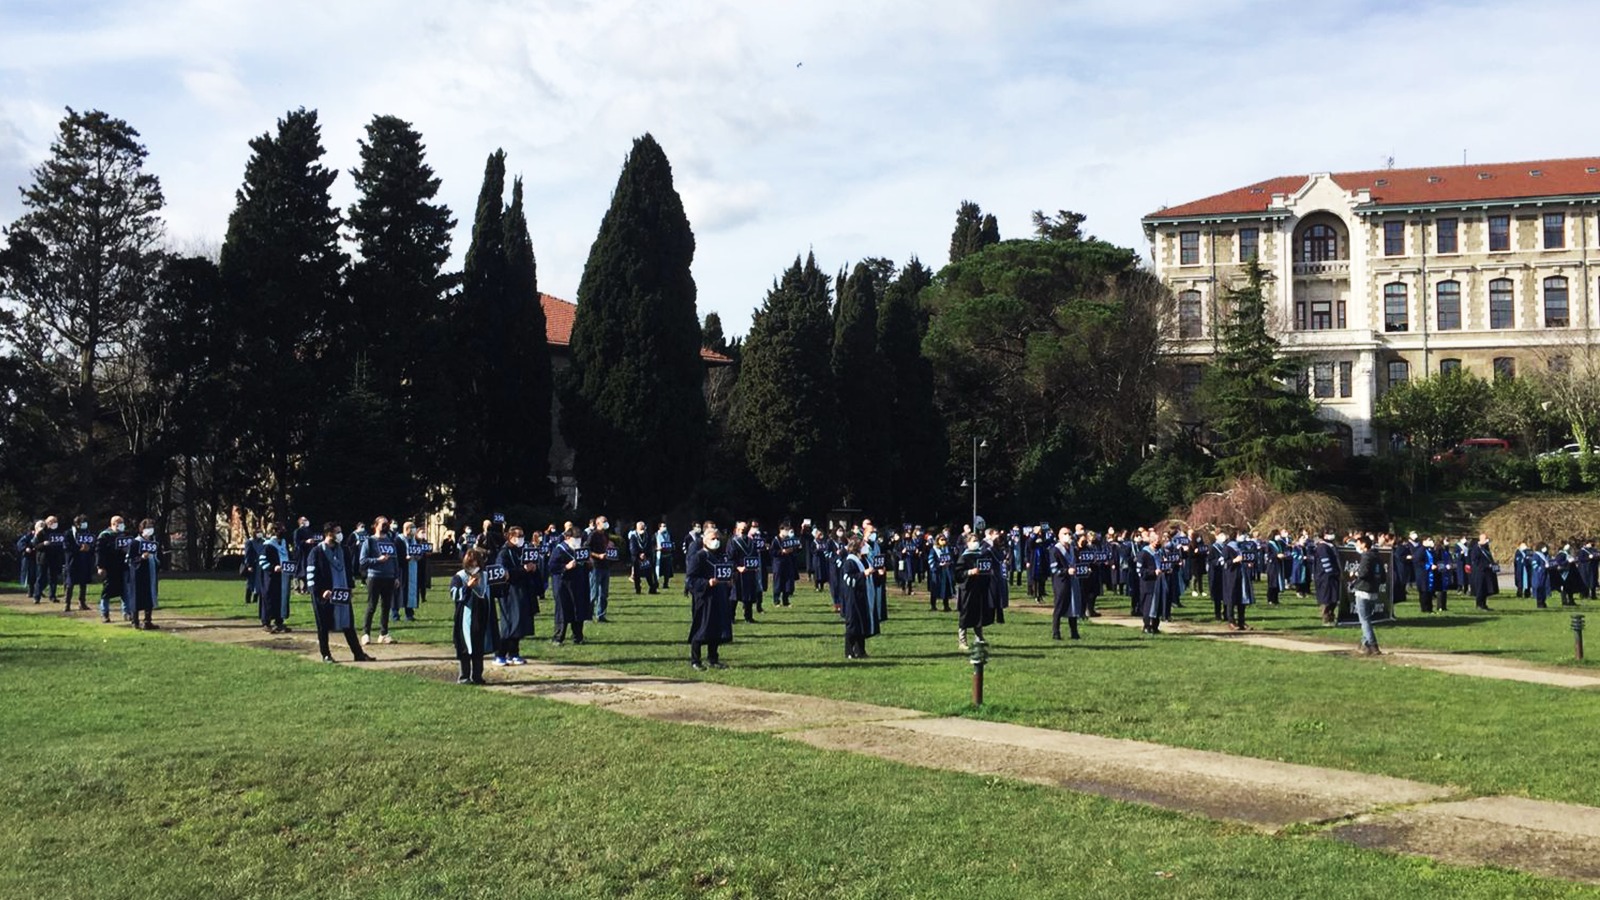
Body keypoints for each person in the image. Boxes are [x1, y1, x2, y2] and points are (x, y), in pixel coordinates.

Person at [305, 522, 374, 663]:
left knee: (348, 624)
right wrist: (320, 591)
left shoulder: (344, 550)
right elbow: (311, 576)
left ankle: (358, 654)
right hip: (324, 595)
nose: (339, 535)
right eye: (337, 532)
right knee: (323, 626)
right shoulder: (316, 552)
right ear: (328, 533)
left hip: (341, 592)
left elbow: (348, 572)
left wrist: (350, 588)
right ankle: (326, 655)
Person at [684, 521, 730, 670]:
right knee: (701, 628)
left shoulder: (719, 557)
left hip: (718, 597)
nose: (716, 541)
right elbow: (690, 579)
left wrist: (728, 582)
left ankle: (713, 658)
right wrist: (707, 583)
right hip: (704, 598)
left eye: (717, 538)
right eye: (712, 539)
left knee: (715, 629)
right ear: (704, 540)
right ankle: (695, 660)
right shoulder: (698, 557)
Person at [450, 549, 495, 685]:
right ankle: (464, 676)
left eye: (476, 564)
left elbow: (494, 591)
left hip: (481, 615)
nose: (473, 567)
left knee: (478, 647)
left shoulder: (485, 576)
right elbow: (454, 595)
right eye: (470, 564)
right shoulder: (459, 577)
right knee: (464, 647)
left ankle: (477, 676)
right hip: (465, 616)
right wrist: (468, 587)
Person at [494, 527, 536, 666]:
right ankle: (500, 654)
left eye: (523, 535)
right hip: (509, 592)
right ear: (510, 537)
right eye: (518, 536)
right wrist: (522, 570)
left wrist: (532, 569)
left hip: (522, 590)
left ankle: (514, 653)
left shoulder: (521, 551)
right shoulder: (504, 553)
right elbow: (503, 573)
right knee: (510, 623)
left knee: (519, 623)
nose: (521, 538)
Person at [359, 517, 402, 645]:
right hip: (374, 577)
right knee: (372, 605)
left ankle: (384, 633)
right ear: (376, 525)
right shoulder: (370, 541)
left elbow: (395, 560)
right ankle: (366, 633)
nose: (385, 526)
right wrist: (378, 560)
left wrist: (396, 576)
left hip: (389, 578)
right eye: (383, 524)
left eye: (386, 524)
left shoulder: (390, 541)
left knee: (386, 606)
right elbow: (362, 561)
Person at [548, 527, 590, 645]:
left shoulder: (580, 550)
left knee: (578, 609)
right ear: (567, 538)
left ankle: (578, 636)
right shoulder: (560, 550)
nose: (578, 541)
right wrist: (566, 567)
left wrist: (588, 564)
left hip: (578, 584)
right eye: (575, 539)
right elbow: (551, 567)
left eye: (579, 539)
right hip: (563, 585)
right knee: (563, 610)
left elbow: (584, 566)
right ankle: (558, 637)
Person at [954, 531, 994, 651]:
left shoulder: (981, 555)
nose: (975, 543)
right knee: (965, 614)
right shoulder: (964, 557)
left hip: (979, 588)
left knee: (979, 613)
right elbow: (958, 574)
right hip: (967, 590)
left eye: (977, 540)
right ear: (967, 543)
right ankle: (962, 640)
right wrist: (969, 572)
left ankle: (979, 637)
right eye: (973, 541)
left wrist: (988, 573)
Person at [839, 536, 877, 658]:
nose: (865, 547)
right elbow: (848, 579)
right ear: (857, 548)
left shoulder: (862, 561)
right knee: (852, 624)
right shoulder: (850, 562)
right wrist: (863, 574)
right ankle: (849, 651)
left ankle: (860, 650)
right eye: (862, 545)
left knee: (861, 623)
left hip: (862, 597)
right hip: (852, 598)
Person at [124, 519, 162, 630]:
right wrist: (141, 558)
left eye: (152, 526)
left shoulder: (153, 543)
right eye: (148, 527)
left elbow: (158, 556)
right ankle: (135, 621)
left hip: (151, 573)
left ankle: (147, 621)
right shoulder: (135, 542)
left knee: (150, 595)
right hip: (137, 574)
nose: (150, 529)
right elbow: (129, 559)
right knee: (136, 596)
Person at [1048, 526, 1083, 640]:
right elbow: (1054, 569)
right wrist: (1066, 571)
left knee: (1073, 606)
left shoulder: (1073, 549)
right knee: (1059, 607)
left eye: (1069, 533)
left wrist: (1083, 569)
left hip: (1073, 581)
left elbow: (1078, 562)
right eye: (1065, 533)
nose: (1067, 536)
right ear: (1059, 536)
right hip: (1061, 582)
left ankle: (1074, 632)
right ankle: (1056, 632)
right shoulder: (1055, 550)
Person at [96, 516, 133, 623]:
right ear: (113, 524)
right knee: (106, 591)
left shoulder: (126, 536)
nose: (122, 525)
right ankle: (105, 613)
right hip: (109, 567)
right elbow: (99, 552)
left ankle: (127, 612)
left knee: (125, 590)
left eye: (122, 522)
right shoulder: (104, 536)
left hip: (123, 566)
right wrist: (100, 566)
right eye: (119, 523)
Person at [1351, 535, 1383, 655]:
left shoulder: (1366, 556)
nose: (1356, 546)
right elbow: (1383, 576)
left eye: (1358, 543)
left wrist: (1354, 574)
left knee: (1364, 620)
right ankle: (1363, 644)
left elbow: (1363, 573)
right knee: (1367, 619)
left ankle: (1373, 645)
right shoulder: (1377, 557)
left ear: (1364, 545)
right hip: (1374, 591)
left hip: (1363, 590)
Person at [258, 523, 293, 633]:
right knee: (269, 598)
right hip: (270, 578)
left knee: (281, 599)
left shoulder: (283, 544)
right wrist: (273, 567)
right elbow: (262, 561)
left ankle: (279, 622)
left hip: (283, 577)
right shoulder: (268, 545)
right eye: (281, 530)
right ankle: (266, 622)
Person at [31, 515, 67, 605]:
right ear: (48, 523)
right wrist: (43, 544)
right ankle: (37, 596)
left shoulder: (58, 533)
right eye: (53, 522)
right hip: (43, 558)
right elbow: (35, 545)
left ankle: (52, 596)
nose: (55, 523)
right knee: (41, 577)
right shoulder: (42, 532)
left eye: (56, 521)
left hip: (54, 558)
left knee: (53, 578)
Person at [730, 521, 762, 623]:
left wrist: (755, 565)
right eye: (741, 529)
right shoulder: (733, 542)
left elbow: (754, 556)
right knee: (734, 596)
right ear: (737, 529)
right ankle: (730, 617)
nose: (743, 531)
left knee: (749, 595)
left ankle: (748, 616)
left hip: (749, 572)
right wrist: (737, 567)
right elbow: (730, 558)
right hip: (737, 573)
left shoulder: (751, 542)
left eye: (744, 529)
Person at [587, 516, 616, 622]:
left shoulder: (606, 535)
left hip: (606, 566)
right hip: (596, 566)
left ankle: (601, 615)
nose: (606, 523)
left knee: (604, 593)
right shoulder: (593, 535)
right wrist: (598, 555)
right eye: (604, 522)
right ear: (598, 523)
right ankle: (588, 615)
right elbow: (586, 549)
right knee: (593, 593)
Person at [1311, 530, 1341, 625]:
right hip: (1325, 577)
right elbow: (1325, 562)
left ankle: (1332, 617)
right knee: (1327, 599)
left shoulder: (1331, 546)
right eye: (1329, 533)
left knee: (1334, 599)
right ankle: (1326, 618)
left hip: (1333, 576)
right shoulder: (1322, 547)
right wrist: (1332, 573)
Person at [771, 522, 801, 608]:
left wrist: (797, 548)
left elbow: (795, 550)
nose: (787, 532)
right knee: (778, 582)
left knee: (787, 582)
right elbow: (772, 552)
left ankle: (786, 600)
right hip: (778, 563)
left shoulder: (789, 540)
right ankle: (776, 600)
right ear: (781, 530)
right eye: (786, 530)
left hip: (788, 562)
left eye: (788, 530)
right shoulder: (776, 540)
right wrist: (781, 552)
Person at [1467, 533, 1498, 611]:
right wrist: (1487, 565)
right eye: (1485, 539)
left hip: (1487, 572)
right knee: (1480, 589)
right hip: (1479, 572)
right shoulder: (1476, 548)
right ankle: (1479, 604)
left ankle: (1484, 604)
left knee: (1485, 589)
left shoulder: (1486, 548)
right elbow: (1475, 561)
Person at [627, 521, 658, 595]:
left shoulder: (648, 536)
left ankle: (652, 588)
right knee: (637, 575)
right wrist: (638, 554)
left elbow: (650, 547)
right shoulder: (633, 536)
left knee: (649, 574)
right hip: (636, 558)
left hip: (647, 558)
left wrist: (646, 554)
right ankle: (638, 589)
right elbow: (632, 548)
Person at [927, 533, 954, 612]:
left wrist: (950, 563)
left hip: (946, 572)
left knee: (946, 589)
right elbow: (931, 561)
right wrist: (939, 565)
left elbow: (951, 558)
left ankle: (946, 606)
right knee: (935, 589)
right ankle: (933, 606)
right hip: (937, 573)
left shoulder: (947, 549)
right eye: (942, 540)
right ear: (937, 541)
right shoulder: (934, 550)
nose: (944, 541)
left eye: (945, 540)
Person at [1530, 544, 1553, 609]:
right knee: (1539, 588)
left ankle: (1543, 602)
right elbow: (1534, 564)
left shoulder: (1545, 555)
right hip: (1538, 575)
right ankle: (1539, 603)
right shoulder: (1536, 555)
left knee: (1544, 589)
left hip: (1544, 574)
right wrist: (1541, 568)